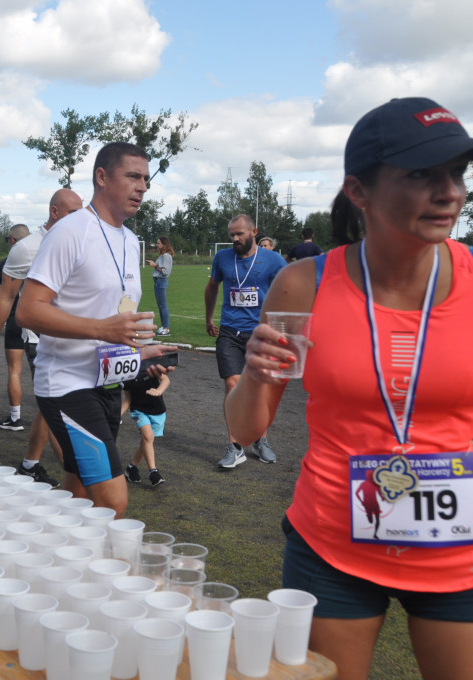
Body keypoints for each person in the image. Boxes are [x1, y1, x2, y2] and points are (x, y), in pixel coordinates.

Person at [224, 96, 473, 680]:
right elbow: (245, 429)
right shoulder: (301, 286)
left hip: (459, 551)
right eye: (421, 175)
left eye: (457, 174)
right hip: (333, 546)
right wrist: (256, 374)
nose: (450, 192)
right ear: (358, 191)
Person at [16, 142, 174, 517]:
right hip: (68, 385)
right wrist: (101, 330)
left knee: (79, 493)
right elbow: (27, 310)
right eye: (133, 176)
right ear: (101, 177)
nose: (143, 187)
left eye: (146, 179)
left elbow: (117, 318)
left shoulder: (130, 239)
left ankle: (57, 568)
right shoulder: (71, 231)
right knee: (112, 501)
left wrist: (140, 355)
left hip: (107, 382)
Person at [0, 189, 83, 487]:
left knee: (51, 403)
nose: (80, 220)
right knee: (57, 401)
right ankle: (72, 469)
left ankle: (31, 463)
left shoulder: (79, 243)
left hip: (74, 337)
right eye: (72, 214)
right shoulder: (27, 248)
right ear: (54, 212)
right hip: (39, 338)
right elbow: (5, 299)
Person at [204, 214, 286, 468]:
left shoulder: (272, 259)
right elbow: (212, 286)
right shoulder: (223, 258)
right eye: (232, 235)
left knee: (260, 389)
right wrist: (209, 318)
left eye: (239, 234)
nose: (235, 239)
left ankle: (261, 440)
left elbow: (289, 288)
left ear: (254, 232)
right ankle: (235, 445)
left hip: (260, 332)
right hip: (229, 331)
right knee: (233, 384)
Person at [0, 224, 30, 432]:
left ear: (12, 241)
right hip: (39, 320)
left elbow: (0, 298)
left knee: (15, 371)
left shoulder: (3, 264)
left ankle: (15, 418)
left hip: (16, 320)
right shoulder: (43, 257)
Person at [121, 372, 171, 488]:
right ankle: (153, 472)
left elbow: (166, 380)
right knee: (148, 437)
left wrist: (159, 390)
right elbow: (128, 399)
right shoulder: (125, 374)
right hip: (139, 411)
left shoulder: (149, 365)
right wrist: (116, 416)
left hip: (158, 412)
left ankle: (131, 468)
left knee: (146, 441)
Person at [145, 236, 174, 336]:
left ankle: (166, 328)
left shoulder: (166, 256)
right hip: (158, 281)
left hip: (161, 281)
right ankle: (163, 327)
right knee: (161, 305)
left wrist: (154, 265)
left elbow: (165, 271)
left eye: (158, 243)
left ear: (164, 244)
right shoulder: (162, 255)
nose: (157, 245)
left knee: (163, 305)